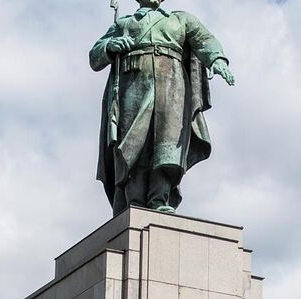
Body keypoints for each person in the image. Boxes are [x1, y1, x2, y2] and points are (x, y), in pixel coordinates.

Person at [91, 0, 234, 214]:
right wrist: (109, 47)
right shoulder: (124, 23)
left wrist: (217, 60)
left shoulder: (180, 19)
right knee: (134, 143)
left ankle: (159, 199)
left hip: (172, 82)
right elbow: (95, 57)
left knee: (167, 144)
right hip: (134, 81)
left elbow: (205, 40)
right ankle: (135, 201)